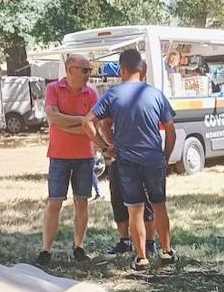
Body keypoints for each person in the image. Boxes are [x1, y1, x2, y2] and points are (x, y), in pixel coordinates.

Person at [88, 48, 177, 272]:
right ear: (142, 70)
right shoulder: (156, 94)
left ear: (122, 69)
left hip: (126, 160)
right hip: (153, 158)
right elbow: (171, 130)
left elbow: (88, 122)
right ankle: (167, 252)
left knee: (134, 209)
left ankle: (141, 257)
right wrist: (165, 156)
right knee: (159, 205)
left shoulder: (113, 94)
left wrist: (105, 146)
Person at [38, 54, 100, 265]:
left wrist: (68, 124)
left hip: (85, 156)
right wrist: (81, 122)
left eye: (89, 71)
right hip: (59, 155)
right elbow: (52, 118)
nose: (88, 75)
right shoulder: (53, 89)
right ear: (70, 69)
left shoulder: (91, 93)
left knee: (81, 202)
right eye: (85, 70)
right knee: (54, 203)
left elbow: (94, 127)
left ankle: (79, 246)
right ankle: (46, 250)